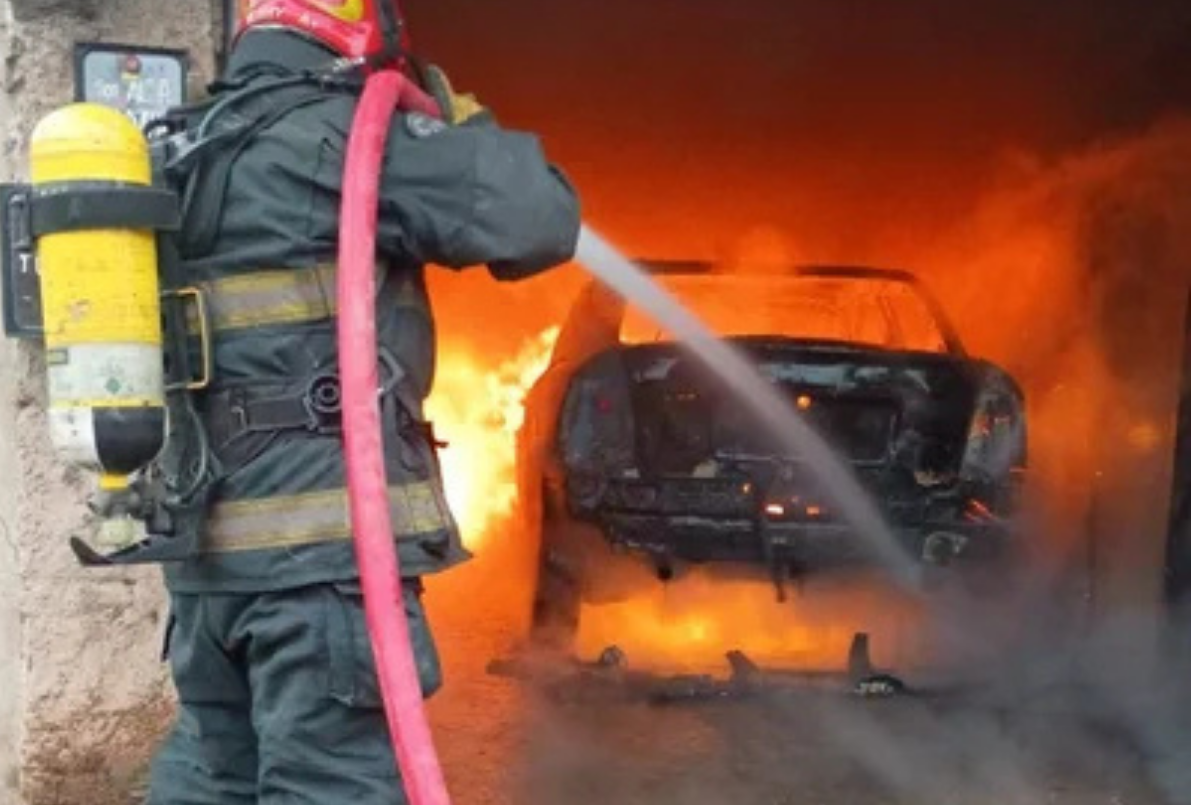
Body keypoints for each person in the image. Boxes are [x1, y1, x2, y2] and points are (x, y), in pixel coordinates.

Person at [145, 2, 581, 802]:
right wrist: (459, 121)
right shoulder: (352, 139)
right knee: (331, 785)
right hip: (323, 578)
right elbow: (540, 217)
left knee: (214, 780)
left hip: (206, 580)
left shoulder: (178, 146)